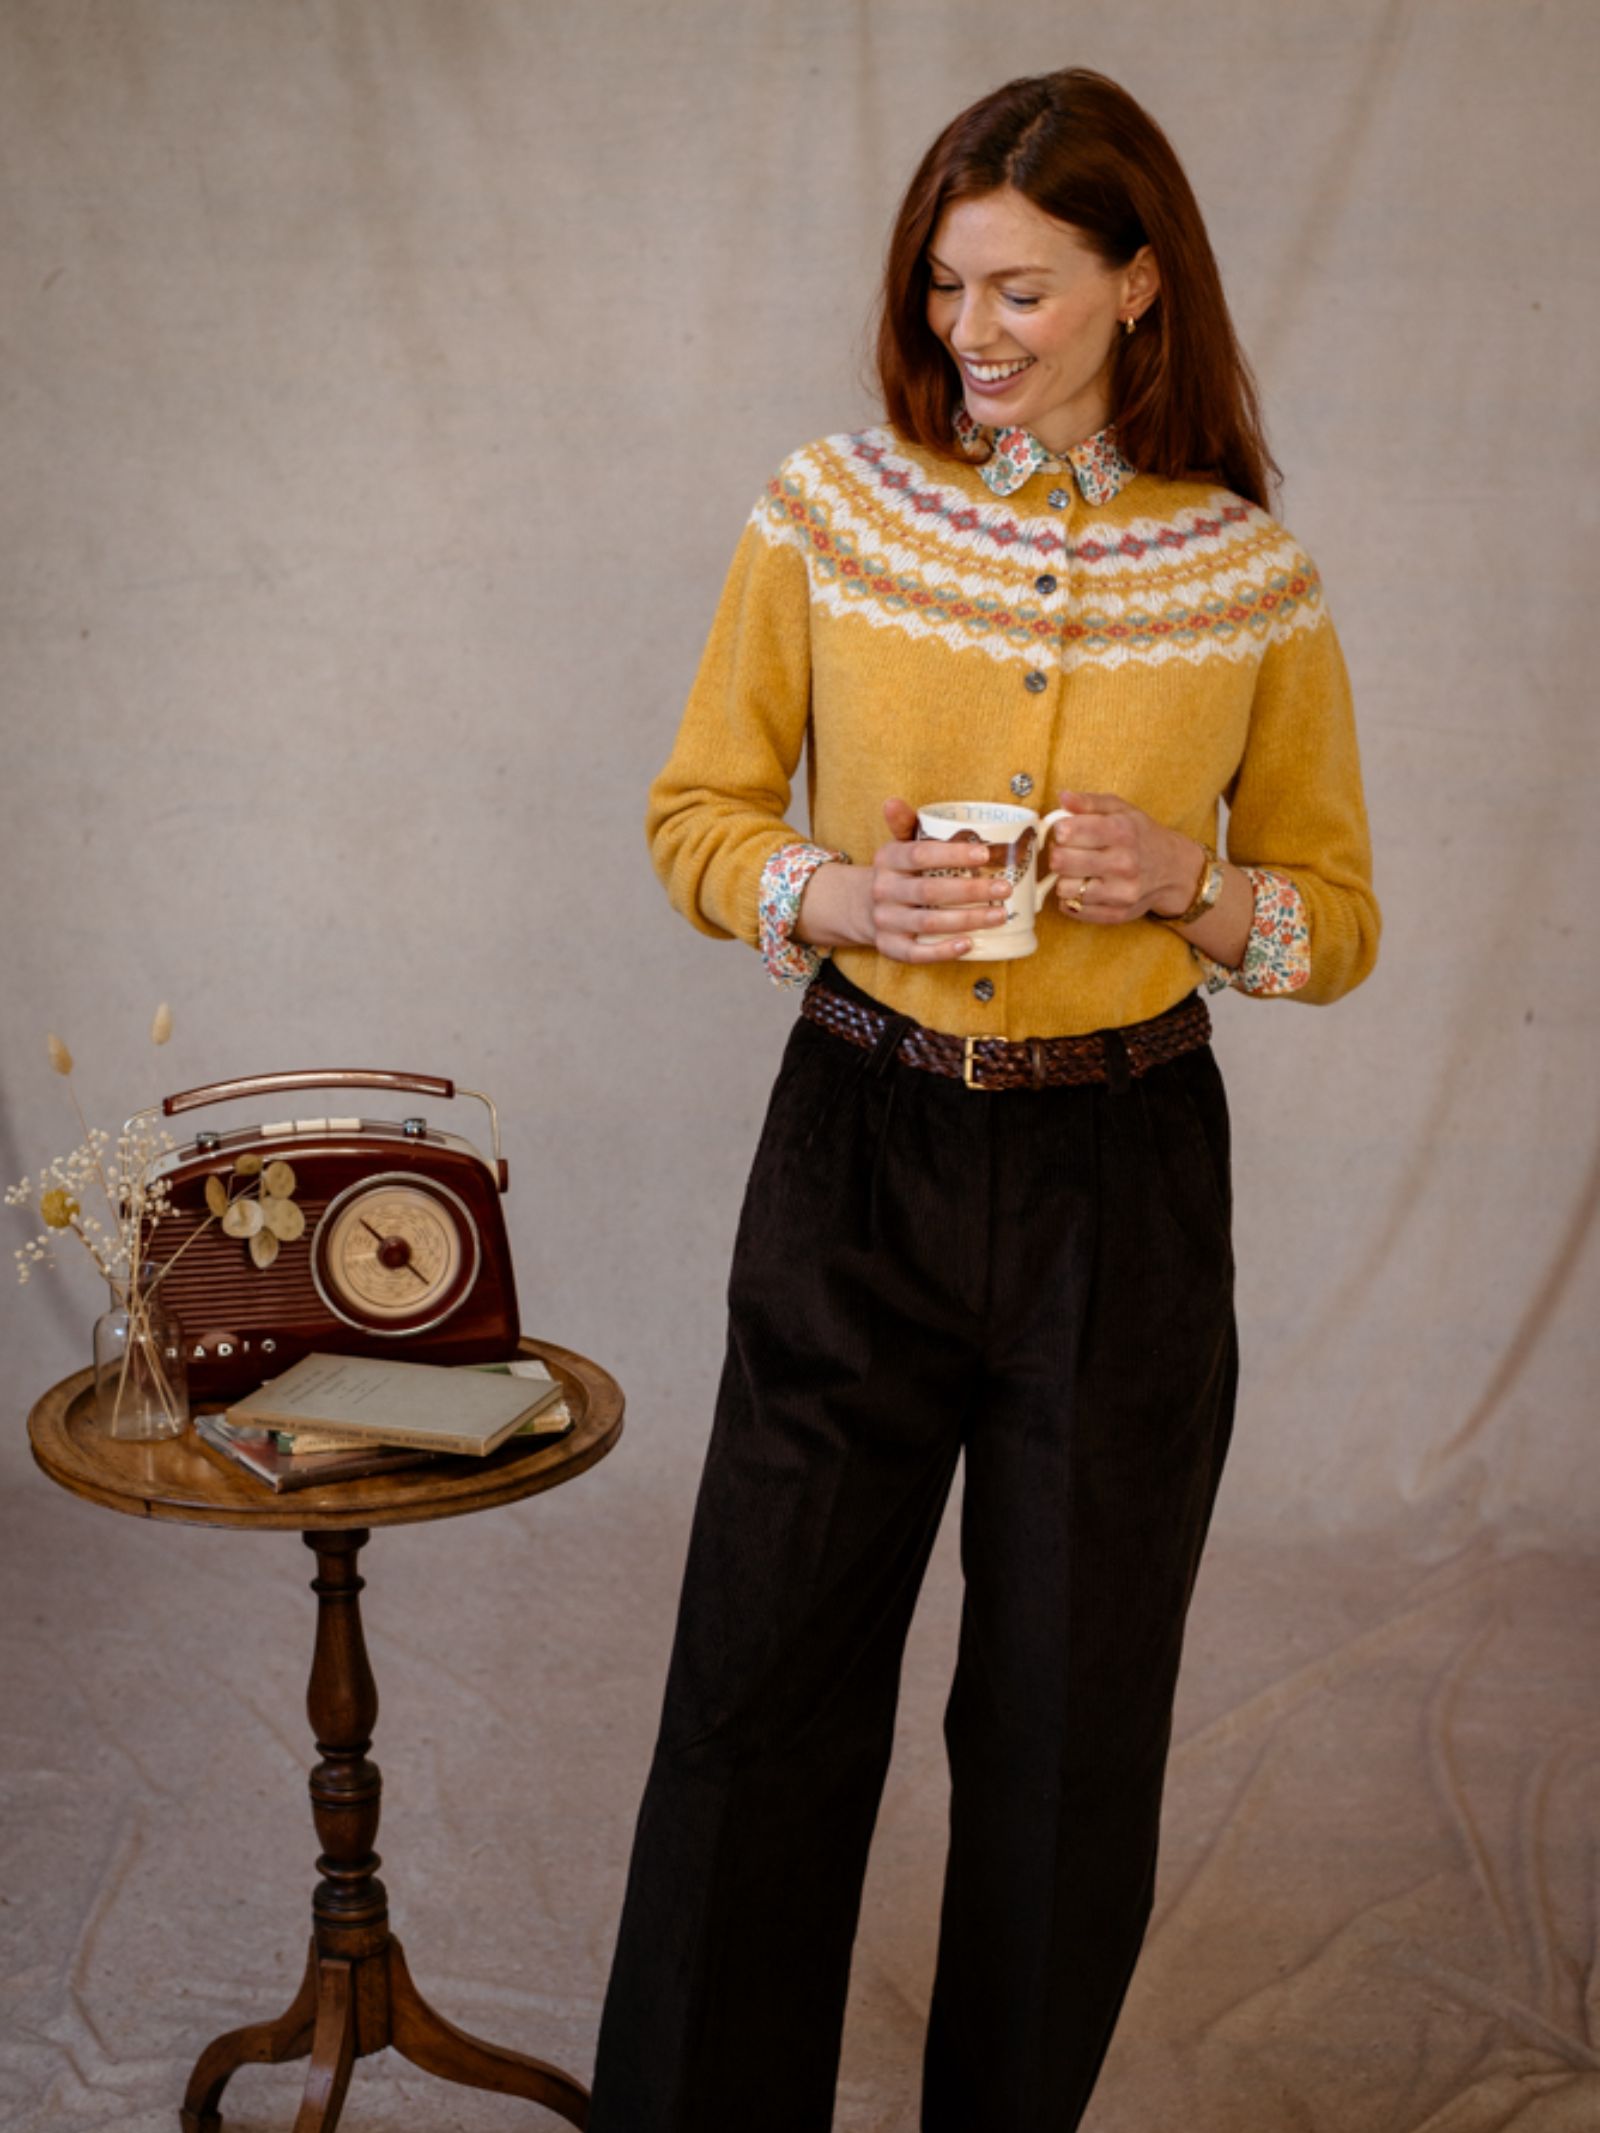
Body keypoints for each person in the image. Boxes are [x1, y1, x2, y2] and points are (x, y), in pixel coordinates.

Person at [588, 65, 1378, 2133]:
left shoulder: (1244, 576)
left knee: (1063, 1727)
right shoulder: (828, 513)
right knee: (758, 1693)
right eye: (946, 288)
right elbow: (690, 813)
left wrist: (1188, 887)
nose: (971, 332)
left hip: (1123, 1179)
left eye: (1019, 290)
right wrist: (833, 889)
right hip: (861, 1137)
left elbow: (1335, 923)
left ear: (1136, 284)